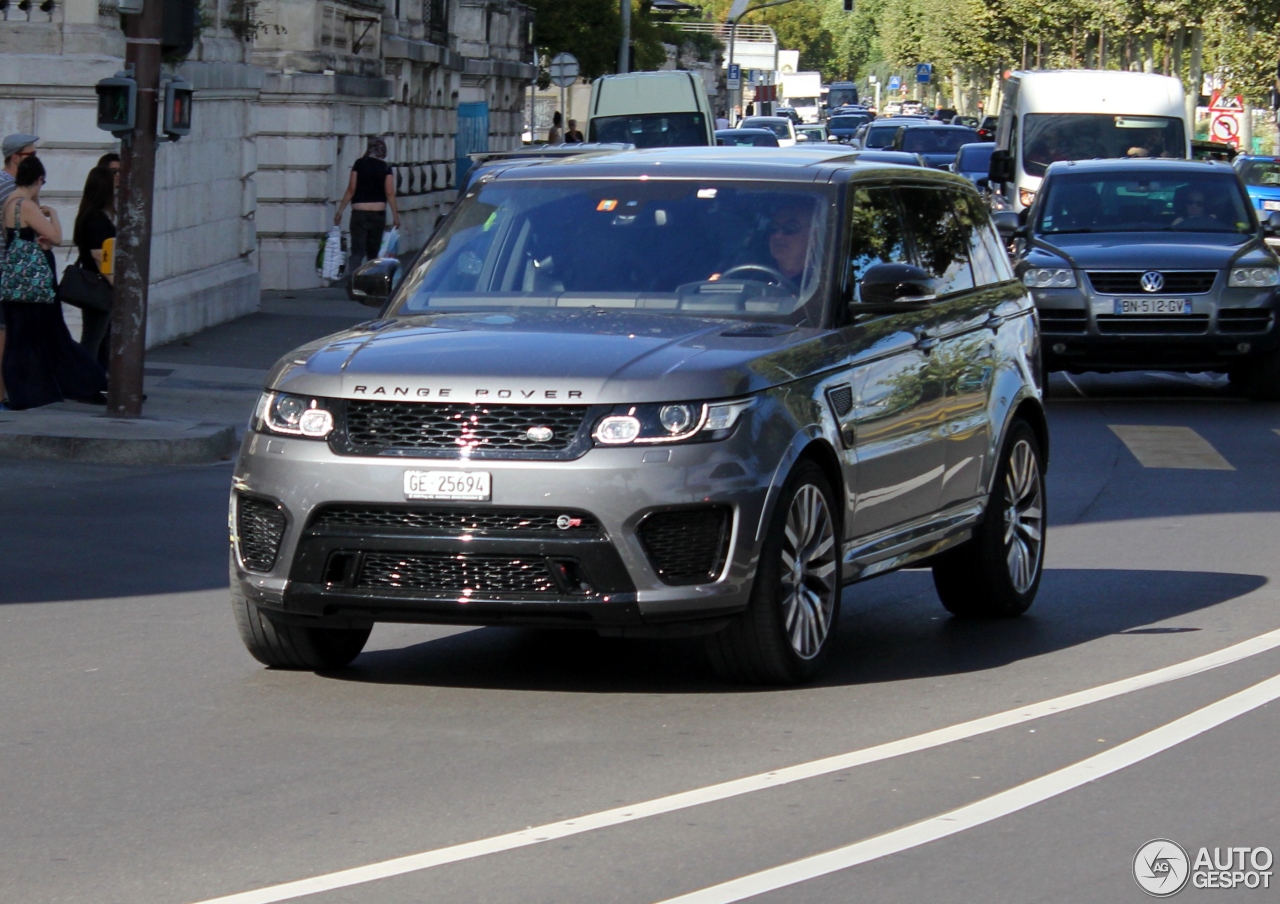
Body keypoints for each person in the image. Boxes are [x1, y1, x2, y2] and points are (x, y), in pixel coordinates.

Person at [0, 156, 107, 409]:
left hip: (15, 283)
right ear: (38, 179)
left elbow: (14, 239)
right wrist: (53, 215)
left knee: (18, 339)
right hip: (36, 283)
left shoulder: (8, 203)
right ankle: (88, 382)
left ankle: (25, 392)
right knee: (55, 334)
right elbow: (57, 238)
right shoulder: (27, 205)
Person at [0, 133, 39, 407]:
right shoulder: (10, 189)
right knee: (5, 331)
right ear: (16, 157)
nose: (37, 161)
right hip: (6, 268)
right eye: (32, 155)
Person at [333, 137, 401, 281]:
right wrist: (395, 215)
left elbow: (351, 189)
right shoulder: (385, 167)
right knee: (373, 252)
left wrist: (340, 211)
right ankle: (371, 282)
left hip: (359, 213)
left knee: (357, 250)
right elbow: (389, 192)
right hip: (378, 213)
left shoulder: (359, 164)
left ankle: (352, 280)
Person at [72, 166, 117, 365]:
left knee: (97, 336)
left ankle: (96, 381)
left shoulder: (88, 213)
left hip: (92, 281)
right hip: (98, 283)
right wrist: (117, 285)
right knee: (94, 337)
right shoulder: (97, 218)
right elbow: (99, 255)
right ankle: (86, 382)